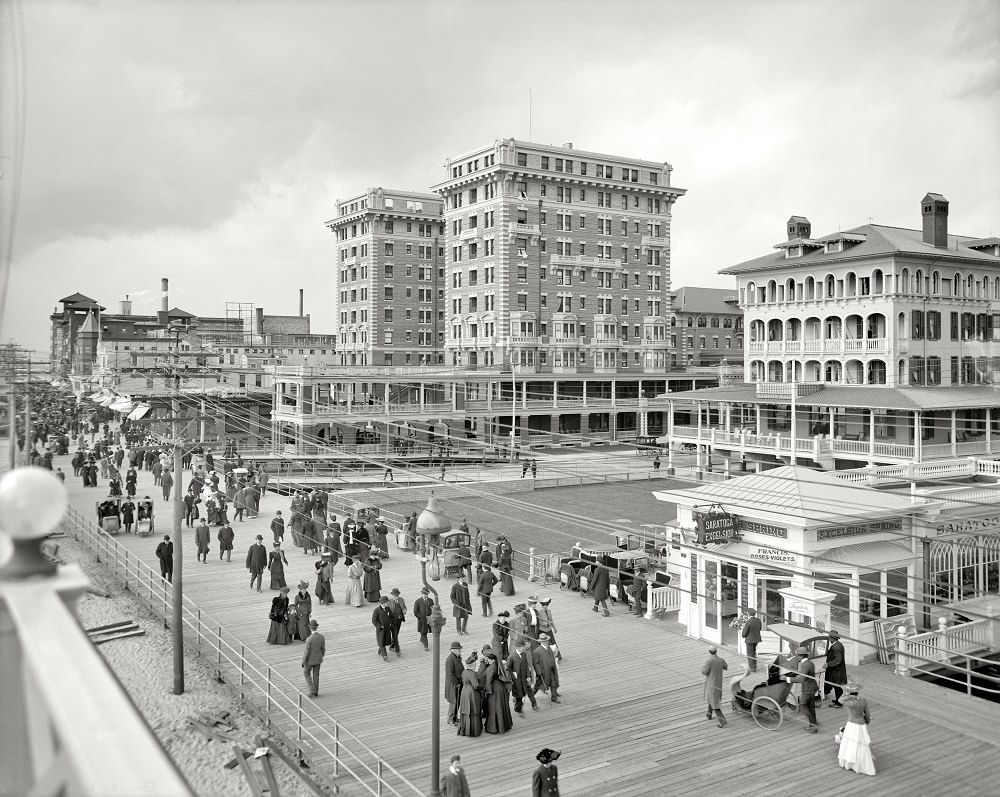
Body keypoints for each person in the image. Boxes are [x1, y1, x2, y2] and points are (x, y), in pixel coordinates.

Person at [837, 683, 875, 776]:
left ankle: (850, 763)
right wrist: (867, 721)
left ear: (850, 693)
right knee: (861, 745)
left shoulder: (852, 702)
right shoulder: (863, 700)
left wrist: (845, 692)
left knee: (850, 744)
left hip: (852, 724)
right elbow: (868, 714)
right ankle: (861, 764)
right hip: (861, 724)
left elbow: (840, 700)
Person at [481, 646, 513, 734]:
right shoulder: (497, 664)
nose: (486, 659)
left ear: (491, 659)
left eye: (487, 658)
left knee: (493, 708)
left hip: (495, 690)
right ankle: (503, 725)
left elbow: (488, 681)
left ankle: (493, 727)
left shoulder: (491, 668)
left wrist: (488, 692)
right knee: (501, 707)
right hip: (500, 688)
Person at [790, 646, 819, 733]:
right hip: (812, 687)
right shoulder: (810, 663)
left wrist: (788, 679)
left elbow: (802, 679)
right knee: (811, 707)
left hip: (808, 689)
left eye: (797, 656)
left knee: (802, 706)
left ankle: (814, 724)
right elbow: (805, 674)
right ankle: (813, 726)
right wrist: (798, 672)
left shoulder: (805, 664)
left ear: (800, 656)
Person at [507, 639, 538, 714]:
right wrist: (513, 677)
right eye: (522, 646)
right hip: (517, 681)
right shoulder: (511, 657)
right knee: (519, 695)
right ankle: (518, 708)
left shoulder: (524, 654)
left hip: (525, 679)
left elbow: (527, 666)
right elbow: (508, 669)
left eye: (524, 646)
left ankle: (534, 704)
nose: (524, 648)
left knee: (530, 691)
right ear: (518, 647)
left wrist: (528, 676)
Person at [457, 652, 483, 737]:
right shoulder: (473, 673)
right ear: (471, 665)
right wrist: (483, 686)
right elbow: (476, 685)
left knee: (465, 710)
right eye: (474, 664)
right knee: (473, 710)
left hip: (464, 692)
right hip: (472, 694)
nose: (475, 665)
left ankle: (465, 730)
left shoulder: (464, 672)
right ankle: (474, 731)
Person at [701, 645, 728, 728]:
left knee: (714, 703)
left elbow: (704, 671)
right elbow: (725, 667)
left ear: (709, 651)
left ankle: (722, 720)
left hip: (711, 684)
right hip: (718, 683)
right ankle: (709, 714)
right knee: (712, 699)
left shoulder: (709, 661)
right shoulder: (721, 660)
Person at [532, 633, 560, 703]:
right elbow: (535, 663)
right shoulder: (537, 651)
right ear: (541, 642)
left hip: (551, 670)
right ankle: (531, 695)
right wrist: (539, 672)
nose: (546, 642)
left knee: (553, 683)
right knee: (539, 685)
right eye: (544, 641)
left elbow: (552, 657)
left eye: (547, 640)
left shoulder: (549, 648)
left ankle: (554, 697)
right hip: (543, 672)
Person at [301, 619, 325, 697]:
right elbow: (323, 649)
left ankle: (312, 690)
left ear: (310, 628)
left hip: (310, 660)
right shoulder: (321, 637)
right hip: (318, 659)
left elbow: (306, 652)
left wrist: (303, 661)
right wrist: (321, 656)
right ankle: (316, 691)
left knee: (306, 673)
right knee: (316, 675)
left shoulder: (309, 639)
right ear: (316, 627)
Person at [824, 629, 848, 707]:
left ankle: (839, 703)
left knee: (837, 687)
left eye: (829, 637)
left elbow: (838, 660)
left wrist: (828, 664)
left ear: (832, 638)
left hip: (836, 672)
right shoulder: (838, 645)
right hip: (837, 671)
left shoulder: (836, 647)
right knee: (836, 687)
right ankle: (838, 700)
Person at [445, 641, 464, 726]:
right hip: (453, 686)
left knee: (457, 701)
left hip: (458, 684)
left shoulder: (457, 657)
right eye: (459, 649)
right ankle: (450, 719)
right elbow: (449, 674)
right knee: (453, 702)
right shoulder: (450, 659)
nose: (460, 651)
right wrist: (456, 683)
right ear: (454, 650)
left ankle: (455, 717)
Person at [741, 608, 763, 672]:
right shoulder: (758, 620)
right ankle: (754, 665)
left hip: (749, 640)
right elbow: (760, 628)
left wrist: (743, 634)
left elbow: (744, 633)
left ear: (749, 614)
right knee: (754, 652)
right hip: (756, 639)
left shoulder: (748, 622)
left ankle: (752, 668)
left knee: (750, 654)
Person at [372, 595, 392, 661]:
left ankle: (380, 650)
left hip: (387, 629)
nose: (388, 603)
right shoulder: (377, 610)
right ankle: (385, 655)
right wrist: (379, 626)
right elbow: (374, 620)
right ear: (383, 603)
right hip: (381, 630)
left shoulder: (388, 609)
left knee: (385, 641)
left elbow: (391, 617)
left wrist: (391, 623)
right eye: (387, 602)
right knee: (381, 641)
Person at [387, 587, 407, 656]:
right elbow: (387, 611)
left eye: (397, 595)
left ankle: (391, 646)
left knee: (396, 634)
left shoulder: (401, 600)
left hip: (399, 620)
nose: (396, 597)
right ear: (392, 595)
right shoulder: (389, 601)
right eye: (395, 596)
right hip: (392, 621)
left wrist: (404, 610)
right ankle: (397, 650)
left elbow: (404, 607)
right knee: (393, 635)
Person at [413, 586, 433, 651]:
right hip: (422, 620)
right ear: (422, 594)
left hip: (429, 619)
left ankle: (422, 639)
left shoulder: (430, 601)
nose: (425, 595)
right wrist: (420, 617)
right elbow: (415, 611)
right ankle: (426, 645)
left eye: (426, 594)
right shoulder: (418, 601)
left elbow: (433, 609)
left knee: (425, 631)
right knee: (423, 632)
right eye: (424, 594)